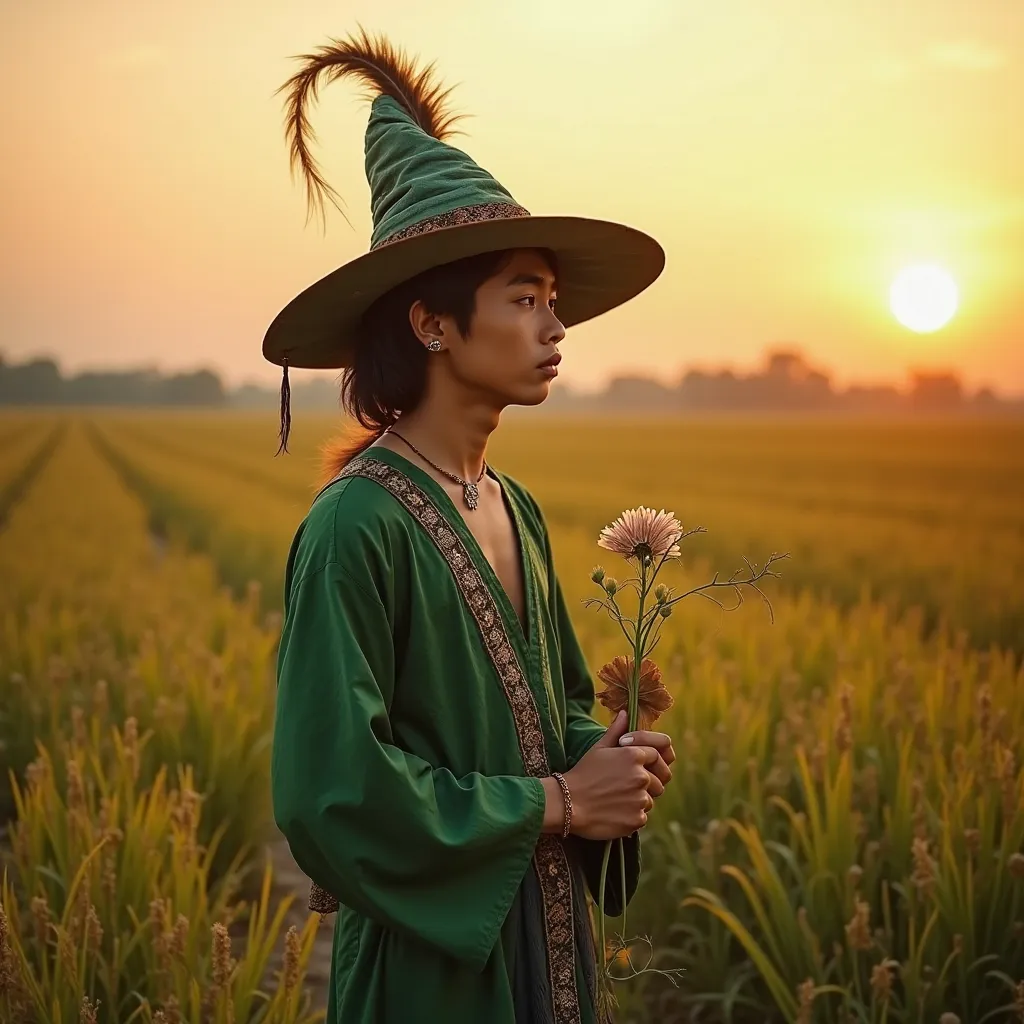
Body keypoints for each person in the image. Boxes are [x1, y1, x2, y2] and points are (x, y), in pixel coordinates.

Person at [267, 28, 675, 1024]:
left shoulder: (512, 504)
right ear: (432, 323)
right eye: (523, 299)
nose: (555, 327)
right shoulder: (356, 525)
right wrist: (561, 803)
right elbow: (334, 790)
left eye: (554, 301)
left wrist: (608, 752)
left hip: (546, 934)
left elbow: (550, 713)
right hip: (429, 966)